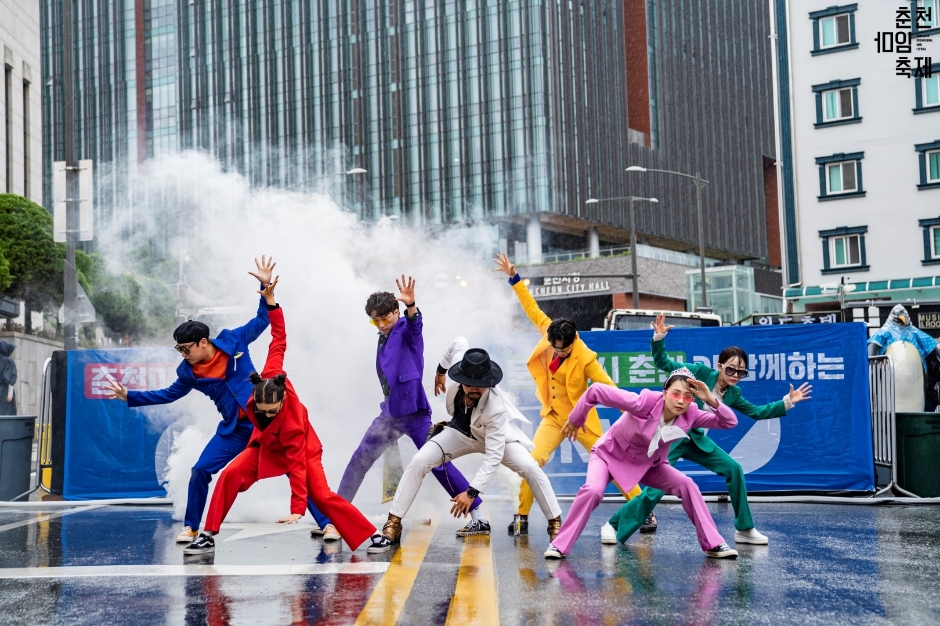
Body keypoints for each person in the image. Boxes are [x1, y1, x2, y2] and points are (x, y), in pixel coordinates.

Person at [105, 257, 335, 543]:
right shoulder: (188, 372)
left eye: (185, 348)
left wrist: (265, 290)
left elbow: (262, 321)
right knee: (200, 469)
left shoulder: (234, 340)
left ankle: (327, 523)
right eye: (178, 349)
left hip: (264, 423)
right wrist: (130, 396)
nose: (182, 354)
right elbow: (168, 394)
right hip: (234, 429)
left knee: (294, 467)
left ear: (203, 342)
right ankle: (191, 527)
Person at [185, 277, 376, 555]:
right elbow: (279, 339)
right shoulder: (269, 374)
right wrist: (272, 303)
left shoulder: (291, 423)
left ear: (282, 399)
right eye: (262, 412)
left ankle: (372, 534)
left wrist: (297, 508)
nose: (268, 414)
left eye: (272, 411)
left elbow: (296, 465)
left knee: (322, 495)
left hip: (302, 450)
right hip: (266, 447)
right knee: (229, 475)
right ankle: (207, 534)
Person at [601, 314, 812, 547]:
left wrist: (787, 402)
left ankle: (744, 529)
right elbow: (665, 364)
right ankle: (614, 525)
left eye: (741, 373)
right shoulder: (699, 373)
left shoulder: (733, 394)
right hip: (670, 437)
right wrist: (659, 338)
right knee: (655, 491)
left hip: (696, 440)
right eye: (731, 370)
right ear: (719, 367)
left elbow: (757, 412)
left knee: (734, 469)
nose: (735, 376)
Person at [492, 252, 642, 534]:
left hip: (581, 419)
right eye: (555, 347)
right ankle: (521, 516)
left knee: (611, 462)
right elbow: (531, 307)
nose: (559, 351)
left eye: (564, 348)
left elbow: (609, 388)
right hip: (553, 417)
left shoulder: (586, 357)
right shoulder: (550, 332)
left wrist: (634, 412)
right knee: (531, 462)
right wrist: (514, 278)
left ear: (574, 340)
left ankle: (642, 510)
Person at [327, 276, 487, 538]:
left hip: (415, 413)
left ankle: (478, 516)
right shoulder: (383, 334)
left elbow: (415, 325)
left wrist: (411, 305)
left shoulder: (404, 327)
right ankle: (335, 518)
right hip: (390, 414)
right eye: (375, 321)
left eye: (385, 318)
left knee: (438, 461)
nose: (381, 325)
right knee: (360, 458)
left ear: (395, 312)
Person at [368, 339, 563, 553]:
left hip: (494, 440)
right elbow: (458, 342)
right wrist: (441, 371)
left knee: (530, 467)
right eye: (469, 383)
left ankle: (556, 526)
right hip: (460, 434)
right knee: (420, 461)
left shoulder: (496, 408)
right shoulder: (460, 369)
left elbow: (493, 456)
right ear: (461, 379)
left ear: (489, 382)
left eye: (480, 384)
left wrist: (471, 493)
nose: (474, 388)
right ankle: (393, 524)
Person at [545, 367, 739, 560]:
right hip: (609, 455)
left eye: (688, 397)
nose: (681, 401)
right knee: (593, 491)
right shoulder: (643, 403)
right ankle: (559, 545)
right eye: (675, 394)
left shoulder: (690, 414)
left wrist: (710, 399)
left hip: (648, 464)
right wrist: (576, 418)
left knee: (687, 485)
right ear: (664, 393)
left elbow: (729, 423)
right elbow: (596, 391)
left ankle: (713, 544)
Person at [0, 341, 17, 415]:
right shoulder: (9, 361)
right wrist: (10, 393)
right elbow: (11, 378)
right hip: (4, 391)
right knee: (6, 414)